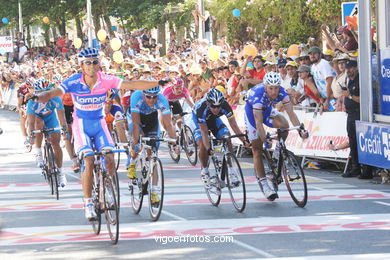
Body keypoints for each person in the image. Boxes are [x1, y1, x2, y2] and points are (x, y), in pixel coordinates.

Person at [27, 48, 161, 220]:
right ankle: (88, 202)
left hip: (99, 124)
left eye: (95, 62)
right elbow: (54, 93)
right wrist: (38, 97)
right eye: (88, 62)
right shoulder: (74, 81)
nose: (92, 66)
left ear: (99, 64)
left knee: (110, 157)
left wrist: (158, 82)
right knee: (89, 161)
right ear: (82, 65)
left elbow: (131, 84)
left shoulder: (106, 79)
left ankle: (108, 189)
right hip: (81, 126)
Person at [244, 72, 308, 200]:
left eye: (276, 88)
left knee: (284, 124)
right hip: (253, 113)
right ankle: (264, 184)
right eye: (271, 88)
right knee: (257, 149)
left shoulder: (282, 93)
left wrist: (301, 131)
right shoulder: (258, 95)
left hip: (267, 110)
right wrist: (264, 139)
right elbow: (258, 122)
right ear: (265, 87)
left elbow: (291, 114)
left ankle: (278, 152)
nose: (274, 92)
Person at [127, 86, 178, 203]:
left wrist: (175, 143)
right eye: (148, 97)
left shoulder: (162, 99)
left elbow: (168, 124)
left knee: (153, 156)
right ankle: (133, 162)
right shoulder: (136, 96)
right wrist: (136, 142)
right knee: (137, 140)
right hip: (136, 118)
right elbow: (135, 124)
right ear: (143, 94)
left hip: (151, 119)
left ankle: (154, 192)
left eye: (154, 97)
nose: (151, 100)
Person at [192, 88, 248, 188]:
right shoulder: (201, 109)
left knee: (227, 137)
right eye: (213, 106)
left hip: (214, 121)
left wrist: (244, 141)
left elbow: (234, 125)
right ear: (208, 104)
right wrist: (208, 149)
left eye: (218, 106)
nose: (216, 109)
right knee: (203, 146)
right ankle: (204, 171)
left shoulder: (225, 106)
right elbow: (204, 132)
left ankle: (231, 170)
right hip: (199, 123)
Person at [26, 78, 67, 187]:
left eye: (46, 93)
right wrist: (31, 135)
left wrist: (64, 129)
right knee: (38, 125)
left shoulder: (55, 99)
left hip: (51, 118)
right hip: (37, 118)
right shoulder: (32, 102)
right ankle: (39, 153)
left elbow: (62, 118)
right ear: (36, 93)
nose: (43, 96)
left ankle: (61, 172)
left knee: (56, 144)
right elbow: (30, 122)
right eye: (40, 93)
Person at [341, 60, 373, 179]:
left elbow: (363, 99)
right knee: (353, 142)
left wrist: (349, 96)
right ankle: (355, 168)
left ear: (356, 68)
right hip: (350, 115)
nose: (348, 71)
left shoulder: (361, 80)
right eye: (346, 69)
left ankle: (367, 170)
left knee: (363, 142)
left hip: (359, 114)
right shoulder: (348, 80)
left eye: (350, 68)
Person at [308, 46, 336, 111]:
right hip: (325, 99)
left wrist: (327, 100)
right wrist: (322, 99)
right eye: (310, 54)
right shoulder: (313, 67)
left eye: (314, 53)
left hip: (333, 97)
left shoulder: (324, 64)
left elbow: (329, 82)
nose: (312, 56)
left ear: (320, 54)